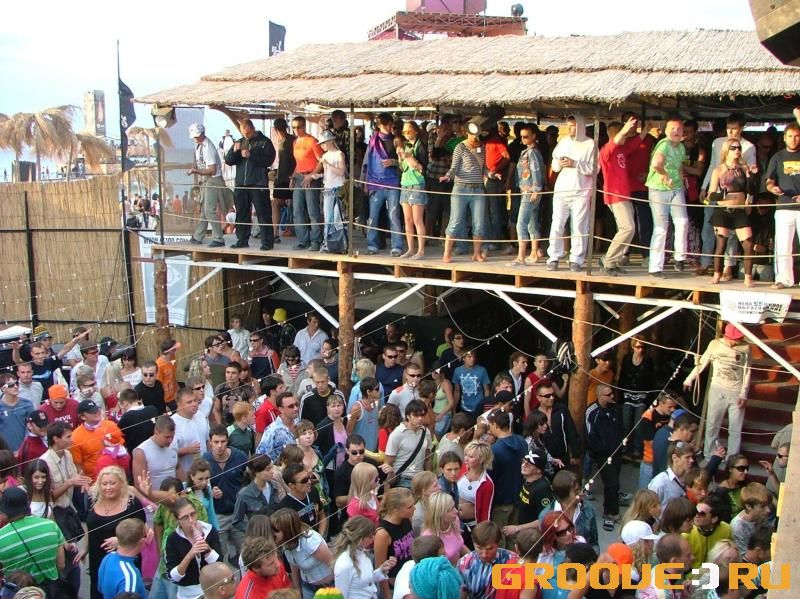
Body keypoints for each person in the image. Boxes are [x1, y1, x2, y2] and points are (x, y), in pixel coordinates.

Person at [683, 323, 751, 456]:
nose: (737, 341)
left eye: (739, 338)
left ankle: (732, 457)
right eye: (735, 339)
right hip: (718, 389)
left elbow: (747, 371)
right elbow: (703, 362)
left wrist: (744, 393)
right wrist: (689, 378)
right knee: (712, 424)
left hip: (736, 390)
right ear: (727, 336)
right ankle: (709, 454)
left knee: (735, 429)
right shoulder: (715, 344)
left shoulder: (746, 348)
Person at [86, 466, 146, 599]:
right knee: (99, 589)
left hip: (125, 556)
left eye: (112, 483)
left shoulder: (132, 503)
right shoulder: (92, 500)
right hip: (97, 556)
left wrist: (121, 540)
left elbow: (141, 529)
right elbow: (89, 527)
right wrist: (84, 548)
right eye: (104, 484)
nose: (108, 487)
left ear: (121, 483)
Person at [546, 115, 596, 272]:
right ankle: (553, 256)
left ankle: (576, 259)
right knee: (557, 223)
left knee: (579, 226)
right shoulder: (563, 142)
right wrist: (559, 163)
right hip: (562, 189)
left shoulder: (590, 144)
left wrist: (576, 164)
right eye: (568, 125)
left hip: (581, 191)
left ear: (580, 126)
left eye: (573, 125)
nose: (569, 129)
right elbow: (554, 164)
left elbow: (595, 168)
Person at [598, 117, 647, 275]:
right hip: (615, 195)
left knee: (627, 229)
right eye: (625, 135)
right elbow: (616, 140)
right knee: (628, 228)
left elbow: (634, 144)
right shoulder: (607, 150)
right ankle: (608, 261)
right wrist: (625, 129)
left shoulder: (621, 150)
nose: (627, 137)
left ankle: (613, 260)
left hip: (624, 195)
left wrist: (646, 130)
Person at [706, 137, 757, 286]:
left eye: (739, 148)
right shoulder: (718, 170)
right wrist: (721, 195)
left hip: (739, 210)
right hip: (723, 209)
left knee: (748, 243)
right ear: (726, 150)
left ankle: (748, 277)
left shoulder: (744, 168)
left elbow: (751, 189)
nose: (737, 150)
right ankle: (717, 275)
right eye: (733, 148)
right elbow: (710, 194)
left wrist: (751, 177)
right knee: (721, 244)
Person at [439, 119, 489, 263]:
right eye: (471, 133)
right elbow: (454, 167)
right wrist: (448, 176)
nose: (474, 136)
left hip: (478, 189)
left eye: (476, 133)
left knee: (479, 223)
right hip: (461, 188)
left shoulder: (482, 147)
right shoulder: (460, 147)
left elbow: (484, 168)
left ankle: (477, 253)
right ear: (466, 132)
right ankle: (447, 253)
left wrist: (491, 174)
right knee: (455, 220)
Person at [0, 487, 66, 593]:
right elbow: (61, 565)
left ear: (4, 510)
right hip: (50, 589)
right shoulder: (51, 525)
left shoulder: (1, 537)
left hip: (19, 593)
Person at [646, 116, 688, 278]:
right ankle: (655, 267)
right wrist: (664, 175)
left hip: (676, 188)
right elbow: (656, 164)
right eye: (672, 128)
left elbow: (679, 167)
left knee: (682, 222)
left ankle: (680, 257)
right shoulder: (663, 144)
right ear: (665, 131)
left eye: (679, 129)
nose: (676, 131)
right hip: (658, 189)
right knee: (661, 228)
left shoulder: (681, 147)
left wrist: (681, 184)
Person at [225, 119, 277, 251]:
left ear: (253, 129)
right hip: (241, 184)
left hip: (258, 184)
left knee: (263, 213)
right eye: (243, 134)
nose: (246, 136)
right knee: (242, 213)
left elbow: (269, 160)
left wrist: (251, 155)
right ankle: (242, 240)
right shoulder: (240, 141)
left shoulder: (265, 142)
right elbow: (228, 161)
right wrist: (235, 152)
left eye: (248, 133)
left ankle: (267, 242)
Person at [165, 497, 223, 599]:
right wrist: (190, 555)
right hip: (187, 594)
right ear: (178, 520)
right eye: (185, 518)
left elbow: (220, 565)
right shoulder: (172, 539)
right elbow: (173, 577)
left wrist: (207, 548)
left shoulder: (209, 530)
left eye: (192, 514)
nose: (191, 520)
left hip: (212, 590)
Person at [585, 384, 625, 531]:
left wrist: (621, 446)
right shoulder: (592, 411)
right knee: (612, 482)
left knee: (614, 483)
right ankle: (611, 512)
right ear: (600, 396)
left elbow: (621, 428)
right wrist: (599, 450)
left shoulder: (615, 409)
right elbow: (589, 434)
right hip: (602, 454)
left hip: (616, 452)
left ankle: (609, 508)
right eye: (608, 395)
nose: (612, 396)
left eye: (612, 393)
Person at [765, 121, 800, 288]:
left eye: (797, 136)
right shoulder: (777, 157)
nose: (794, 139)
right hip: (784, 205)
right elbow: (769, 181)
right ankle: (784, 279)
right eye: (790, 136)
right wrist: (773, 189)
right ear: (784, 138)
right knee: (783, 244)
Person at [270, 507, 334, 599]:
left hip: (327, 587)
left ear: (288, 529)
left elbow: (333, 563)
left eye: (276, 530)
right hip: (307, 587)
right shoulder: (286, 545)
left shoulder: (310, 541)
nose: (273, 533)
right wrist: (298, 592)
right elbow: (294, 568)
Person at [364, 112, 403, 257]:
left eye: (390, 124)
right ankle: (372, 245)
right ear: (379, 125)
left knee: (394, 215)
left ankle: (397, 246)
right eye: (386, 124)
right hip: (375, 182)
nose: (389, 127)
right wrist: (365, 182)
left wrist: (393, 162)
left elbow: (403, 163)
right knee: (372, 216)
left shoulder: (396, 140)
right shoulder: (372, 141)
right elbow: (367, 163)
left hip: (392, 182)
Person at [486, 410, 527, 543]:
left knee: (499, 538)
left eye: (490, 425)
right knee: (513, 538)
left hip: (501, 501)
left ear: (495, 425)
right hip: (519, 496)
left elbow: (490, 479)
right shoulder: (522, 441)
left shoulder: (494, 450)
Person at [304, 130, 347, 253]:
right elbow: (329, 173)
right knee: (328, 218)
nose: (322, 146)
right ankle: (328, 244)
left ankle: (341, 244)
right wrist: (318, 175)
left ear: (331, 141)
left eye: (324, 143)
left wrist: (327, 165)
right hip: (328, 188)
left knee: (338, 218)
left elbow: (341, 172)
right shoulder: (325, 156)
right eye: (321, 144)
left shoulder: (339, 154)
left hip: (338, 189)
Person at [332, 516, 396, 599]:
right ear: (359, 537)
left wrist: (381, 570)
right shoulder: (344, 564)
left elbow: (366, 580)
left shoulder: (362, 553)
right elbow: (341, 596)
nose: (374, 538)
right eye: (370, 536)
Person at [512, 124, 546, 265]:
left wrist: (536, 190)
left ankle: (521, 256)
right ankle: (533, 252)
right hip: (527, 190)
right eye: (522, 137)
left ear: (534, 136)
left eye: (526, 137)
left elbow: (536, 171)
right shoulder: (527, 152)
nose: (523, 139)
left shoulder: (532, 153)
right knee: (532, 222)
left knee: (521, 223)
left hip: (529, 191)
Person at [457, 521, 518, 599]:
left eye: (490, 549)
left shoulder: (513, 560)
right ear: (473, 543)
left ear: (498, 543)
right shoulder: (464, 564)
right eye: (479, 548)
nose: (484, 554)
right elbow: (461, 595)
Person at [188, 123, 226, 248]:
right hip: (207, 180)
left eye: (196, 136)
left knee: (209, 210)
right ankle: (198, 236)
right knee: (205, 210)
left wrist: (197, 171)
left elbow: (212, 170)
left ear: (202, 134)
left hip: (213, 180)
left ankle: (218, 238)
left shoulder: (209, 148)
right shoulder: (199, 146)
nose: (195, 138)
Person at [373, 488, 415, 598]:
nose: (414, 508)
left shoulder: (406, 519)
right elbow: (380, 569)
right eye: (409, 507)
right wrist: (387, 596)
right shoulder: (383, 534)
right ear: (396, 510)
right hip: (395, 585)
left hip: (411, 577)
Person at [71, 399, 126, 481]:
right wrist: (85, 483)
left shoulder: (111, 425)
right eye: (92, 412)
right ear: (82, 417)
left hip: (117, 476)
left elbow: (122, 451)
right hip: (94, 481)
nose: (96, 413)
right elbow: (78, 465)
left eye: (96, 410)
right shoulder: (75, 436)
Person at [291, 116, 324, 251]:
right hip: (299, 176)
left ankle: (316, 241)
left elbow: (321, 160)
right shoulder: (295, 142)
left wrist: (311, 176)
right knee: (297, 209)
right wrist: (293, 177)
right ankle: (303, 240)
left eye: (299, 127)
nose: (296, 130)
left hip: (312, 177)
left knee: (313, 210)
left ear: (304, 126)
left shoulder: (312, 141)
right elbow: (298, 162)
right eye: (293, 127)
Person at [384, 399, 433, 488]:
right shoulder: (397, 434)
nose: (420, 419)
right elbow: (387, 463)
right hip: (402, 479)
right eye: (416, 415)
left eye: (422, 415)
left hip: (420, 479)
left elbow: (427, 457)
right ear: (408, 416)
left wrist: (428, 476)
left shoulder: (426, 432)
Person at [397, 120, 428, 259]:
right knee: (407, 220)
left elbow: (422, 168)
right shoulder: (404, 145)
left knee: (417, 219)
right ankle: (410, 249)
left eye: (408, 131)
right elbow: (402, 167)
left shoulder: (420, 146)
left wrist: (410, 158)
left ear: (415, 131)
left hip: (417, 184)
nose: (406, 134)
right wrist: (400, 157)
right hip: (405, 183)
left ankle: (420, 250)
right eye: (404, 132)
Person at [98, 518, 148, 599]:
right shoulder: (130, 578)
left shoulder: (108, 557)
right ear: (141, 542)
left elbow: (101, 588)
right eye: (145, 536)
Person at [232, 454, 279, 535]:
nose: (272, 471)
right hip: (259, 537)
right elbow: (237, 521)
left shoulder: (273, 486)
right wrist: (255, 530)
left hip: (277, 534)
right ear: (256, 472)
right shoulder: (244, 494)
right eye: (268, 469)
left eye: (272, 467)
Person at [685, 495, 732, 569]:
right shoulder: (687, 533)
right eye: (695, 511)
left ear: (714, 519)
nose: (696, 515)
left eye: (701, 513)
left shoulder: (726, 529)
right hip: (692, 572)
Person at [421, 492, 466, 565]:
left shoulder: (454, 521)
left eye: (454, 507)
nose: (456, 511)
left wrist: (474, 558)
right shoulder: (429, 537)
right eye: (451, 509)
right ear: (440, 514)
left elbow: (460, 545)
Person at [171, 388, 209, 474]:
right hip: (185, 473)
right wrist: (187, 450)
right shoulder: (172, 423)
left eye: (195, 400)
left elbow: (207, 441)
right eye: (189, 402)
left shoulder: (201, 415)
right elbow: (168, 454)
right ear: (179, 404)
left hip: (205, 472)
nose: (194, 404)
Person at [458, 440, 494, 527]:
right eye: (465, 454)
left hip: (471, 524)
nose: (466, 458)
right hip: (454, 520)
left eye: (470, 456)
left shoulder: (487, 484)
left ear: (481, 459)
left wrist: (481, 530)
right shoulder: (461, 469)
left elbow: (486, 512)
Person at [648, 441, 694, 510]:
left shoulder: (689, 478)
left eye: (692, 457)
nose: (692, 460)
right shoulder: (660, 482)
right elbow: (648, 508)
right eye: (687, 457)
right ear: (674, 458)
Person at [256, 391, 299, 461]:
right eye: (291, 406)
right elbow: (260, 456)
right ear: (281, 409)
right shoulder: (272, 431)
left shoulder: (299, 422)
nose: (296, 408)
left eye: (296, 404)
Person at [0, 374, 34, 452]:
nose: (15, 386)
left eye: (16, 383)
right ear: (3, 388)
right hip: (6, 452)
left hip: (26, 450)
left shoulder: (27, 404)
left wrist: (22, 449)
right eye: (11, 385)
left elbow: (31, 428)